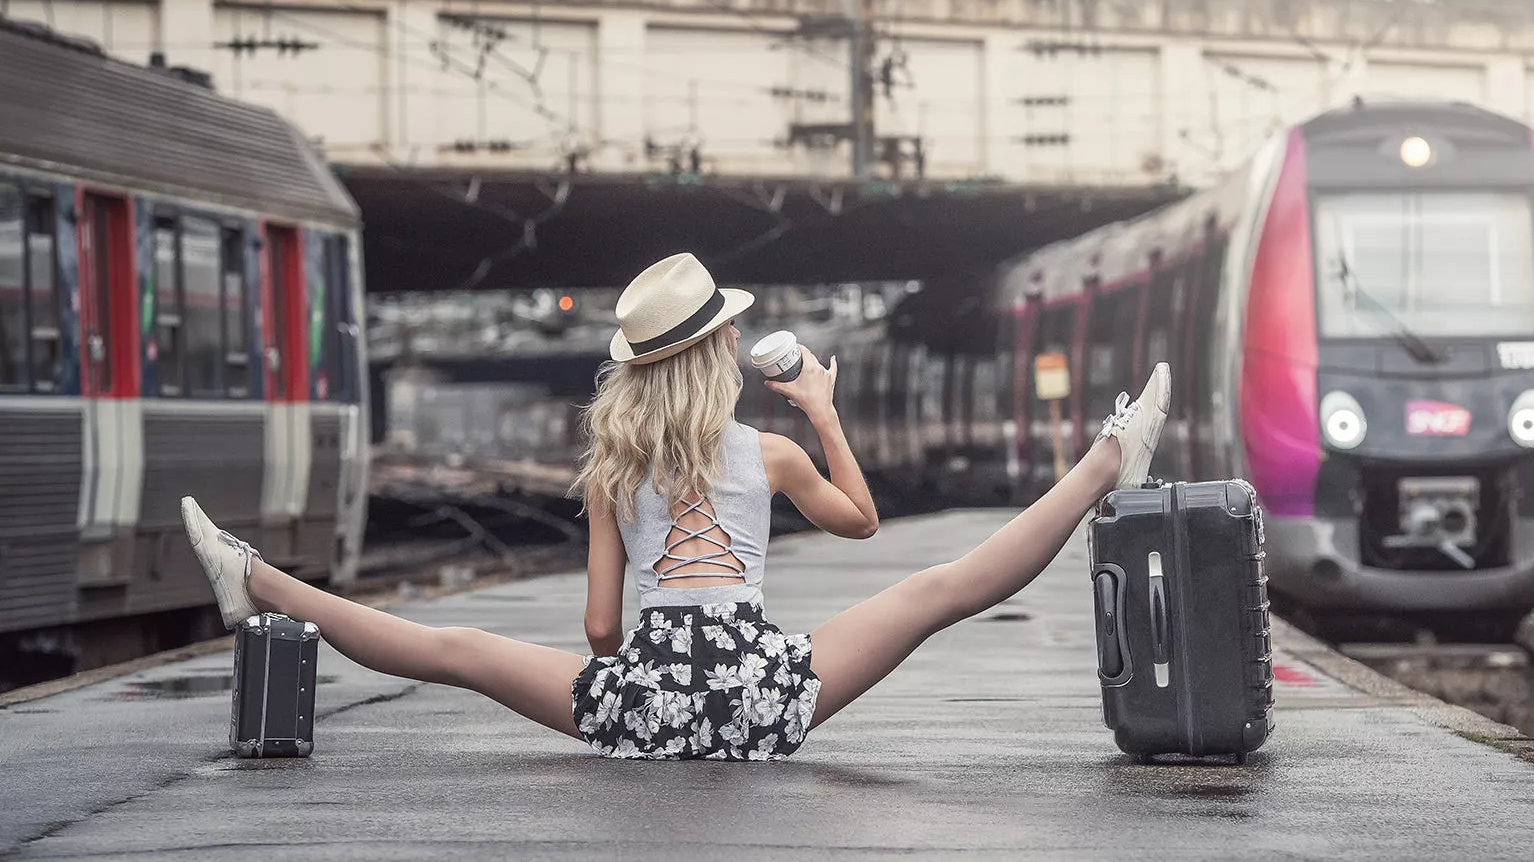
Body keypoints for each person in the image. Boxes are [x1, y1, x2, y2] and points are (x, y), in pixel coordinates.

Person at [180, 251, 1170, 760]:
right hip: (764, 692)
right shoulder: (769, 451)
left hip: (636, 701)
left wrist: (632, 677)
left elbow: (603, 631)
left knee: (455, 650)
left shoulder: (612, 466)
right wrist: (822, 410)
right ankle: (1102, 465)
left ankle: (255, 577)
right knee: (939, 588)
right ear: (721, 351)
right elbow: (861, 522)